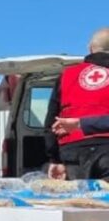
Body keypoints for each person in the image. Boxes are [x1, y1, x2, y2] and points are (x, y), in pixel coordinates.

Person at [45, 28, 109, 180]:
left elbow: (52, 122)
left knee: (80, 194)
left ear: (90, 49)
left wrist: (55, 159)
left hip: (73, 149)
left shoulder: (67, 75)